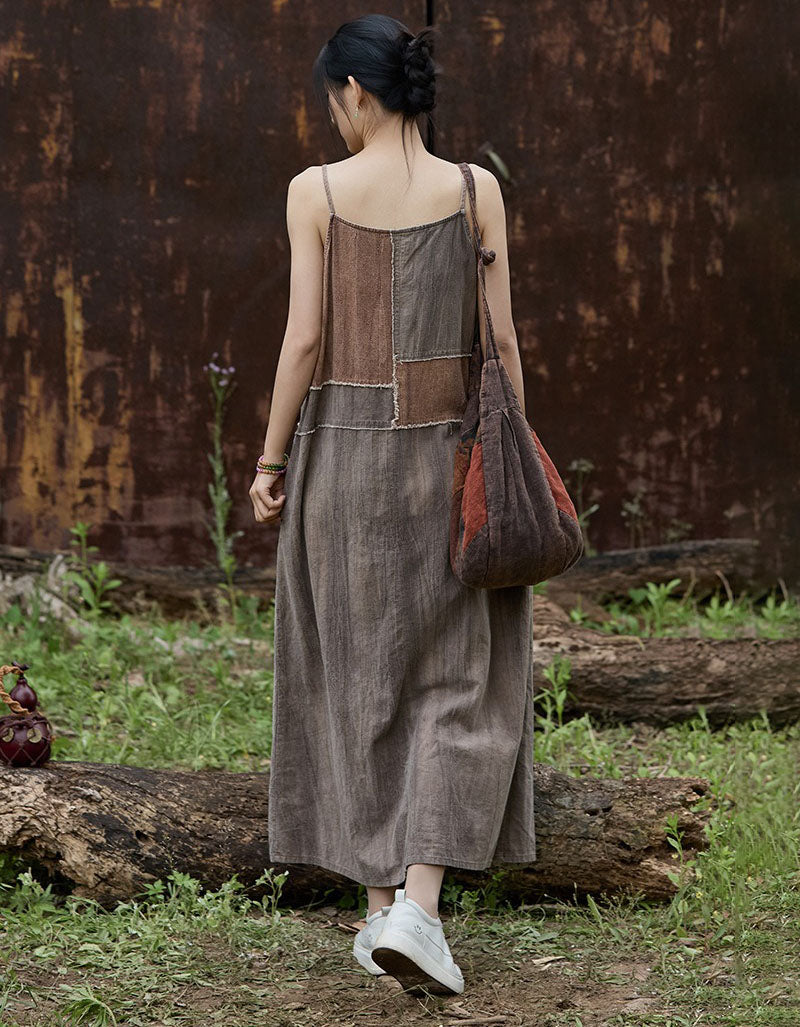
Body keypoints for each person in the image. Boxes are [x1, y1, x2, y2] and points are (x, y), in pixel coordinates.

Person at [248, 14, 535, 995]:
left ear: (356, 94)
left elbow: (302, 341)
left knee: (356, 678)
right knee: (462, 683)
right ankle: (413, 905)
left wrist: (268, 458)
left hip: (343, 467)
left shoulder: (315, 192)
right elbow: (500, 348)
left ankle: (383, 914)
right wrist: (510, 464)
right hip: (452, 466)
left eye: (333, 98)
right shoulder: (474, 190)